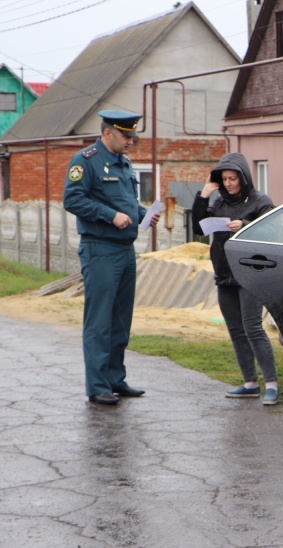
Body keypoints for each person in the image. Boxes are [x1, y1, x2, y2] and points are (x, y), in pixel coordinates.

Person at [63, 109, 160, 406]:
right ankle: (97, 385)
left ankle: (116, 379)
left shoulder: (125, 163)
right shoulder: (86, 160)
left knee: (120, 319)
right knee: (99, 321)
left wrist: (144, 214)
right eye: (126, 135)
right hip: (100, 249)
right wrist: (109, 216)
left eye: (133, 135)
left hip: (125, 249)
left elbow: (125, 201)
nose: (131, 140)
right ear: (108, 133)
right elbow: (73, 199)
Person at [191, 152, 280, 405]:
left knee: (252, 327)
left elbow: (272, 227)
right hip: (224, 273)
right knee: (236, 330)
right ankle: (250, 383)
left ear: (243, 177)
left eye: (233, 178)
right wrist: (204, 195)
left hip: (250, 272)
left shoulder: (260, 200)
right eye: (225, 179)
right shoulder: (218, 202)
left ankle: (271, 384)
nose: (229, 183)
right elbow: (199, 228)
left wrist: (245, 223)